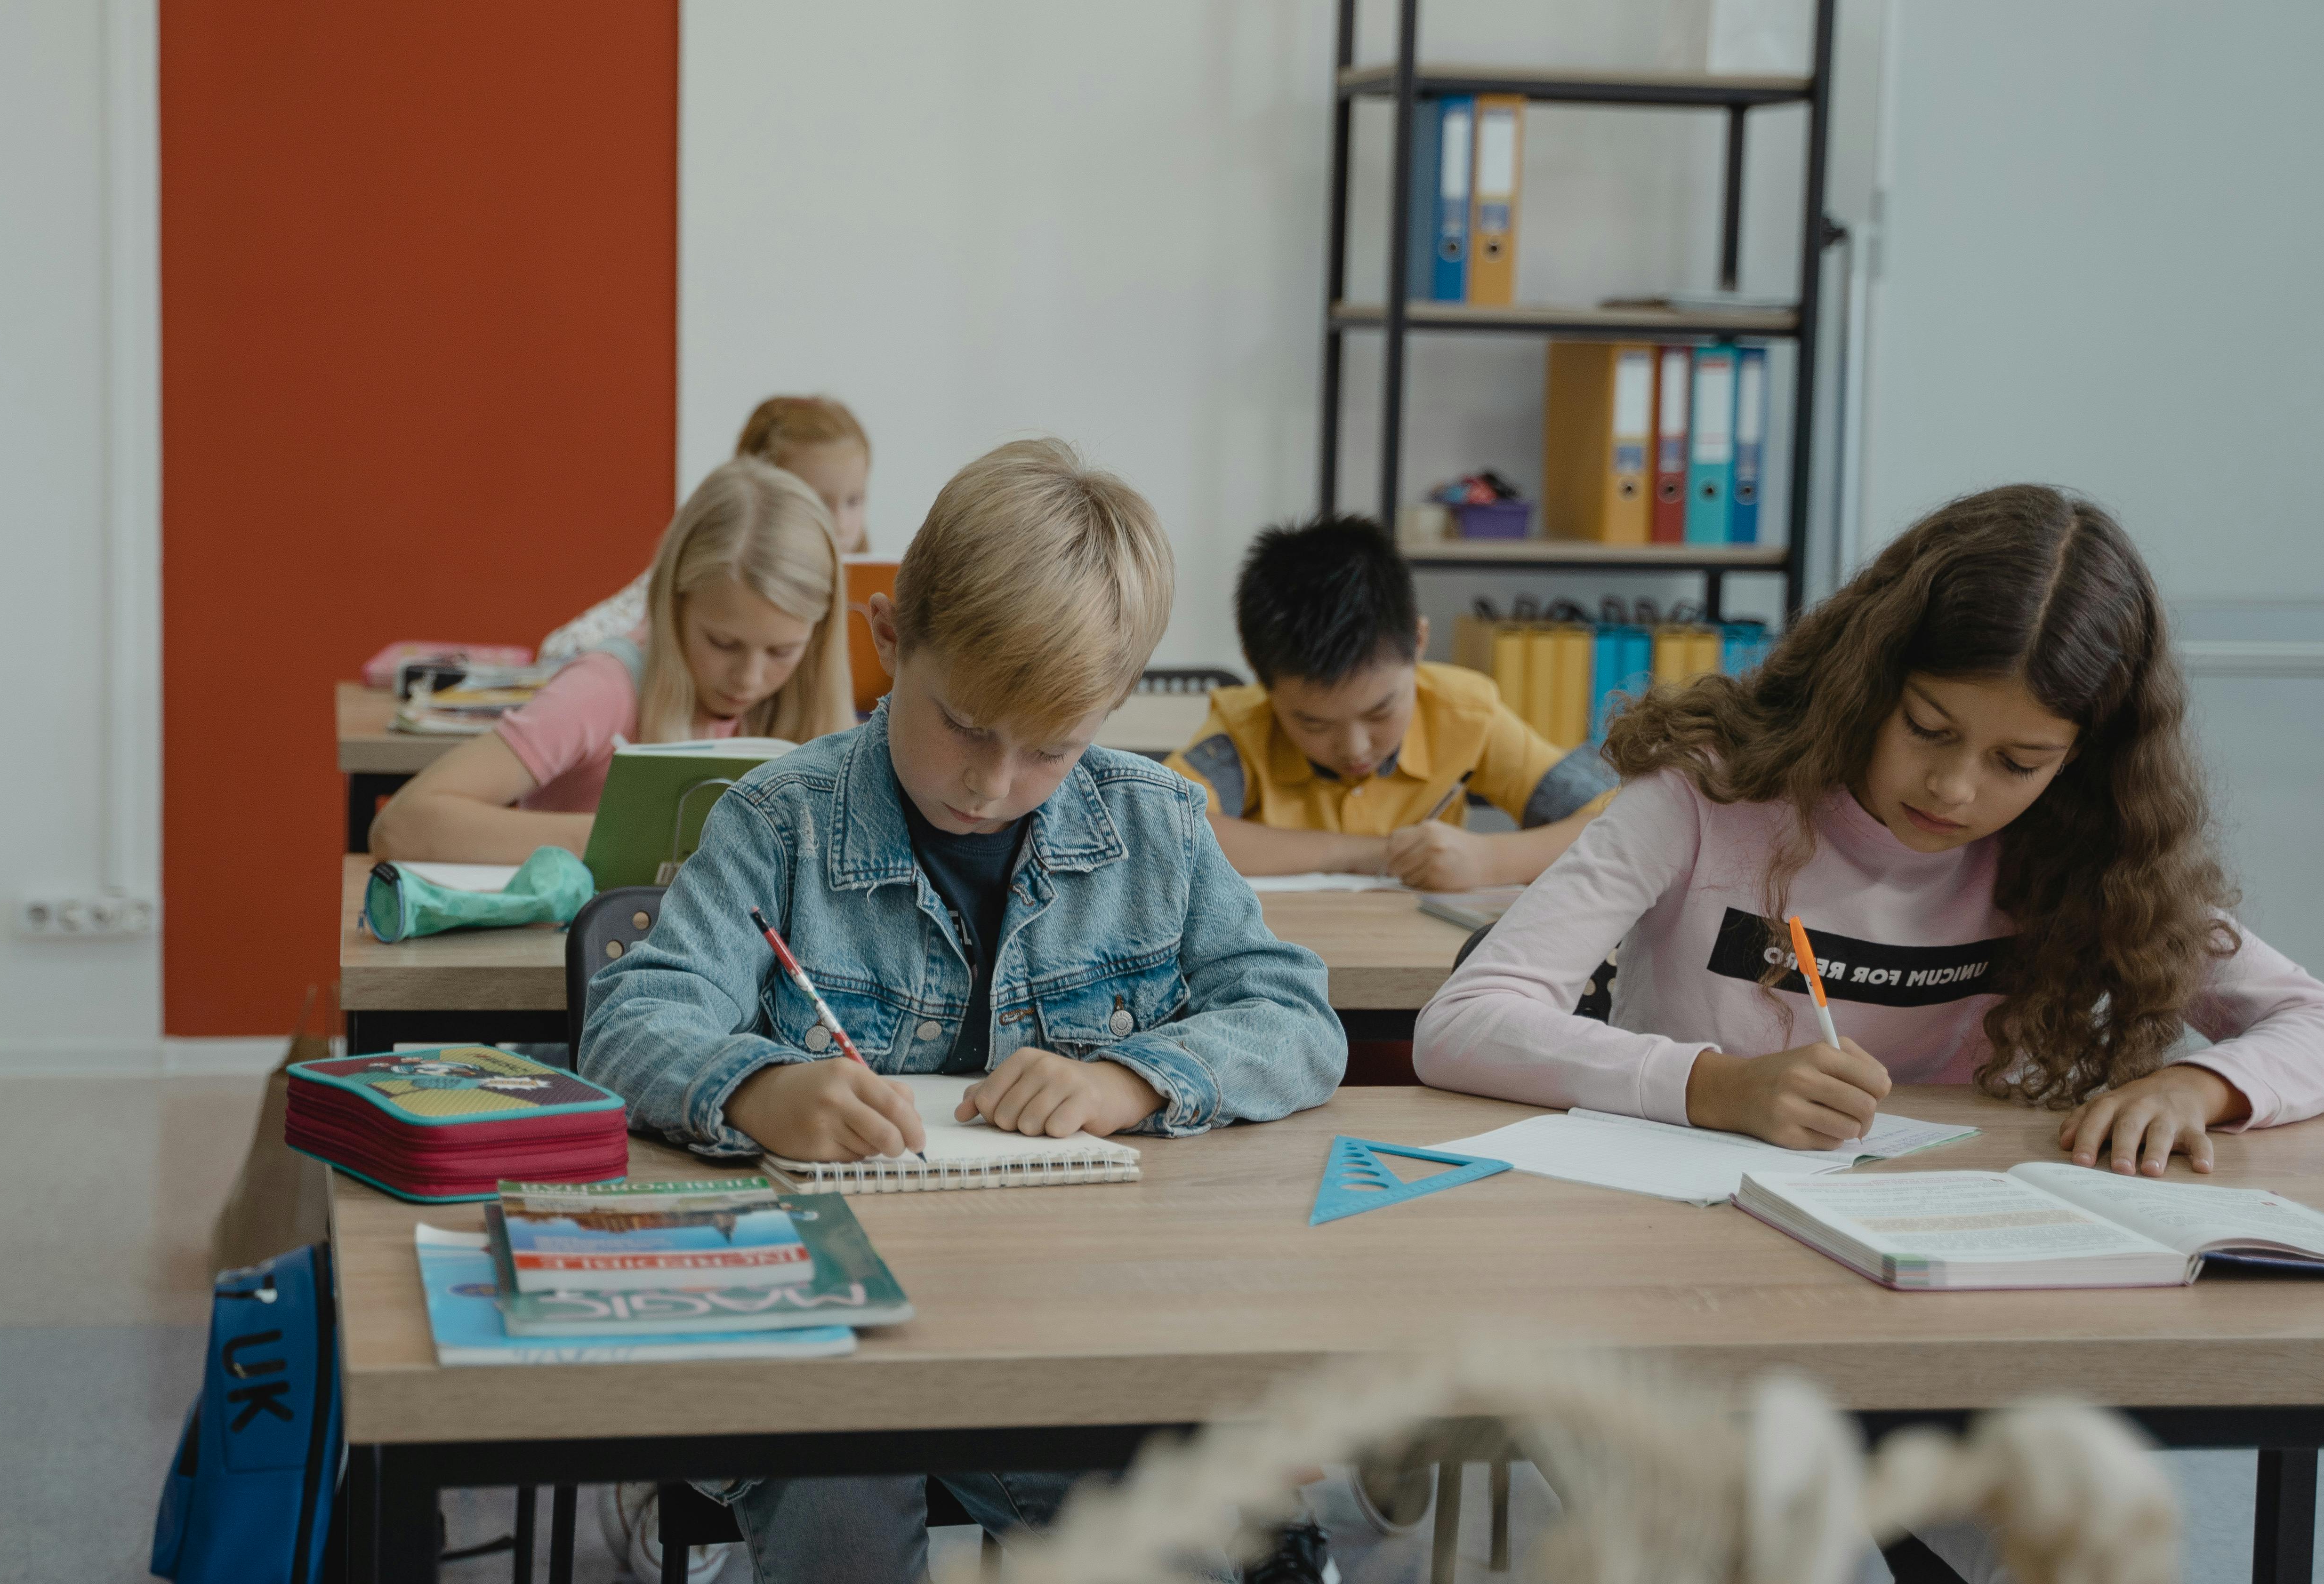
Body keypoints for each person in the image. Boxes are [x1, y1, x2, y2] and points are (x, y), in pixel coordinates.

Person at [580, 438, 1345, 1583]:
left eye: (1050, 746)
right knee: (838, 1502)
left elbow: (1292, 1012)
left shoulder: (1157, 825)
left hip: (1067, 1323)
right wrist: (761, 1087)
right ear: (888, 639)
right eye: (964, 723)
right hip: (823, 1337)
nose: (991, 781)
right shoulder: (776, 821)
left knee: (1146, 1524)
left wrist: (1128, 1075)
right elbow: (634, 1015)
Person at [1415, 484, 2324, 1180]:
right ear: (1869, 679)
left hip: (1953, 1222)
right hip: (1689, 1219)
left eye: (2017, 763)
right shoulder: (1708, 797)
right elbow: (1463, 1024)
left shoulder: (2092, 848)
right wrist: (1714, 1085)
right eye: (1929, 729)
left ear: (2079, 762)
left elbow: (2321, 1024)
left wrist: (2200, 1086)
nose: (1954, 786)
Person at [368, 459, 853, 864]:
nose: (749, 678)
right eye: (722, 644)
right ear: (673, 603)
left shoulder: (802, 700)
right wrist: (624, 843)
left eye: (781, 652)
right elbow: (403, 825)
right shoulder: (604, 688)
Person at [1165, 517, 1614, 890]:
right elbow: (1165, 832)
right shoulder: (1246, 728)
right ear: (1261, 676)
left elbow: (1612, 820)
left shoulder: (1465, 714)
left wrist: (1490, 860)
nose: (1356, 748)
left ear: (1418, 641)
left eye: (1380, 712)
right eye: (1313, 725)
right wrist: (1366, 854)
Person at [540, 394, 872, 661]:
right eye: (816, 502)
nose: (841, 526)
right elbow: (562, 650)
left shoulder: (874, 581)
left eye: (854, 501)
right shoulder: (717, 562)